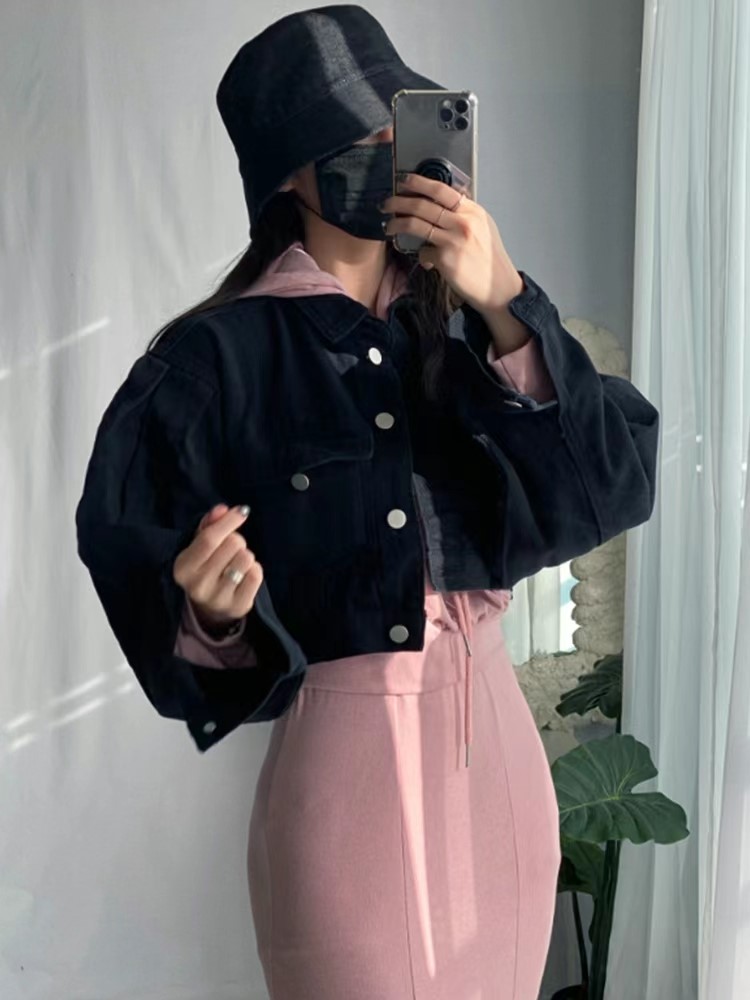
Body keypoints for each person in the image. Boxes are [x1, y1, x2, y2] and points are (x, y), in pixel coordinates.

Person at [75, 6, 660, 998]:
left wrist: (506, 300)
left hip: (500, 763)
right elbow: (143, 576)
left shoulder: (470, 324)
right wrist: (213, 615)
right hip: (347, 777)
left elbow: (610, 488)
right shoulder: (213, 363)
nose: (392, 149)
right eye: (358, 132)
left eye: (404, 121)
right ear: (289, 173)